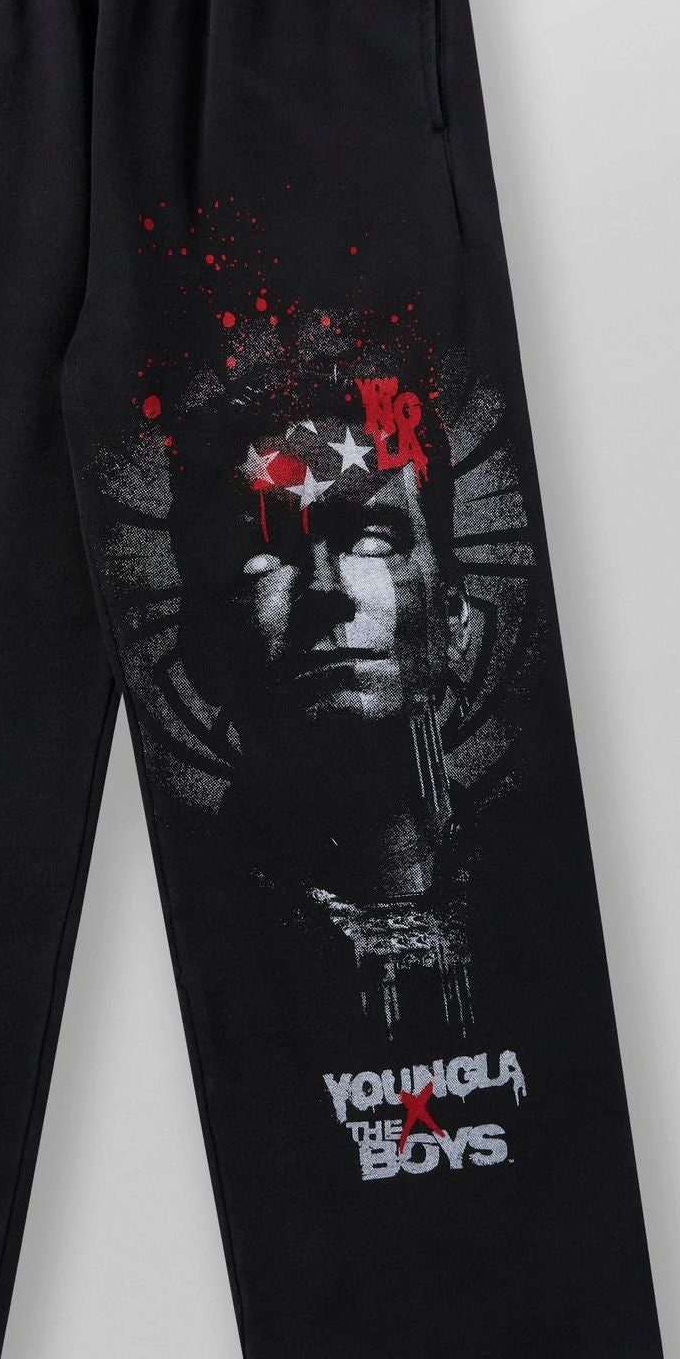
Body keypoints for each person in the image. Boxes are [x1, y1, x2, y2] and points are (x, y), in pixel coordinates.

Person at [164, 353, 475, 1031]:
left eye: (372, 541)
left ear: (453, 612)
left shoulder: (536, 884)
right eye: (263, 557)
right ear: (201, 645)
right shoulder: (193, 932)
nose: (326, 593)